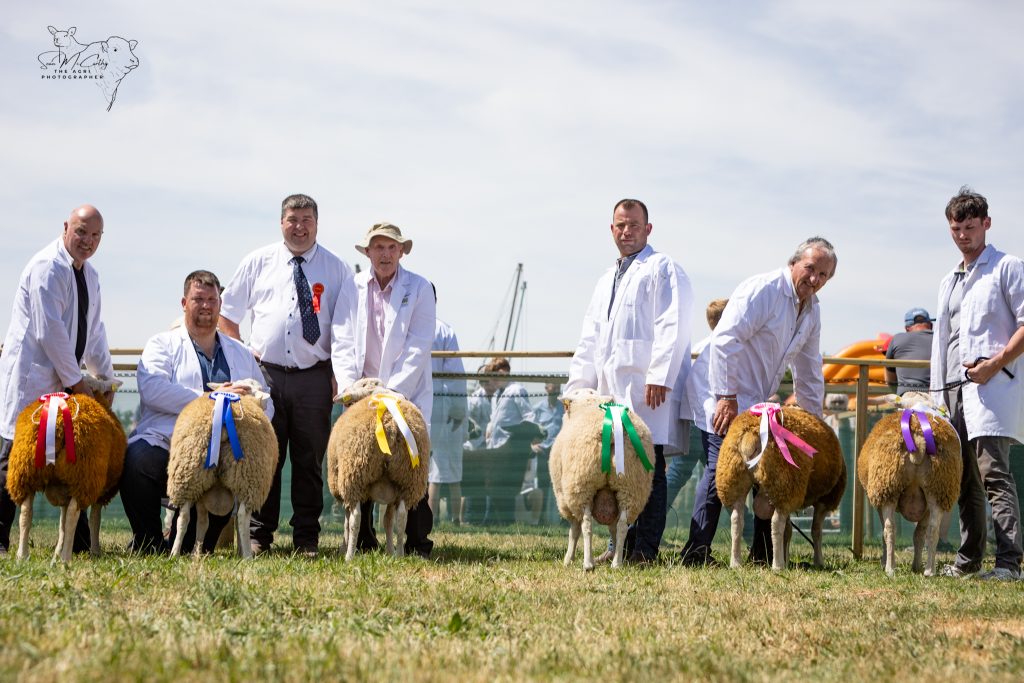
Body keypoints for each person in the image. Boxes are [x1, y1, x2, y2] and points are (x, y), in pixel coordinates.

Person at [680, 238, 836, 566]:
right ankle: (696, 552)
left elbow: (808, 368)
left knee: (767, 468)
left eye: (824, 275)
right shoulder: (763, 289)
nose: (815, 279)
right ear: (794, 263)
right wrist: (725, 397)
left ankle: (763, 554)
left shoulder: (812, 310)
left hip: (755, 400)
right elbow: (725, 339)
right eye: (810, 269)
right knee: (721, 465)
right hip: (720, 388)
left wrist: (812, 421)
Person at [220, 194, 359, 556]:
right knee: (265, 457)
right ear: (281, 223)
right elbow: (227, 314)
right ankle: (259, 536)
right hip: (264, 377)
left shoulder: (336, 268)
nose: (299, 227)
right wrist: (242, 363)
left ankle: (306, 538)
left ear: (317, 223)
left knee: (309, 460)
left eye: (307, 220)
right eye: (292, 219)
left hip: (314, 376)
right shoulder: (258, 261)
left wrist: (340, 378)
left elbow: (345, 329)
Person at [565, 198, 693, 562]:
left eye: (634, 225)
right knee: (615, 471)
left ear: (648, 229)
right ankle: (616, 545)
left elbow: (674, 323)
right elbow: (591, 336)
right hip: (610, 392)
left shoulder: (662, 267)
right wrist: (579, 388)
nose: (627, 231)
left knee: (650, 467)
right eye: (620, 225)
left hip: (646, 388)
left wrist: (660, 374)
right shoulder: (606, 279)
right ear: (612, 229)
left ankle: (645, 549)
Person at [121, 271, 273, 553]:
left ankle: (193, 543)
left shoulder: (240, 352)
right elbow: (152, 388)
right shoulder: (162, 344)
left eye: (212, 300)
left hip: (225, 448)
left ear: (220, 303)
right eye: (198, 299)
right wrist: (207, 399)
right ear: (184, 302)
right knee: (137, 462)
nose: (206, 306)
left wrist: (249, 407)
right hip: (167, 439)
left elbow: (266, 400)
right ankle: (148, 540)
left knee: (197, 547)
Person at [0, 205, 113, 556]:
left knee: (73, 456)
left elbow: (94, 332)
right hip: (33, 375)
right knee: (14, 454)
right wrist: (78, 383)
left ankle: (76, 543)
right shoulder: (46, 267)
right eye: (81, 232)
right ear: (66, 227)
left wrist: (106, 380)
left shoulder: (90, 275)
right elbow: (49, 332)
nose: (87, 241)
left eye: (95, 235)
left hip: (65, 379)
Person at [933, 187, 1024, 581]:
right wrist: (938, 392)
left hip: (991, 385)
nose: (963, 235)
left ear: (986, 224)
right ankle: (968, 560)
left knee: (993, 474)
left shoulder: (1007, 267)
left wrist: (996, 363)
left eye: (970, 227)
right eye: (956, 228)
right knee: (964, 477)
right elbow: (943, 339)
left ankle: (1008, 563)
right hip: (952, 389)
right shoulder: (949, 280)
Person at [336, 222, 436, 557]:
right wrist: (353, 387)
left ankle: (418, 542)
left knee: (412, 461)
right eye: (378, 247)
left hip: (405, 394)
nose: (385, 254)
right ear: (367, 252)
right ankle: (363, 540)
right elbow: (342, 336)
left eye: (392, 247)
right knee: (360, 460)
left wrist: (391, 392)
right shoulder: (352, 287)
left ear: (402, 251)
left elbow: (418, 345)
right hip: (362, 393)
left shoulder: (419, 288)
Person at [667, 299, 728, 512]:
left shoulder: (699, 348)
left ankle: (645, 526)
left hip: (694, 419)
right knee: (720, 478)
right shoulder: (722, 348)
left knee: (718, 477)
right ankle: (751, 534)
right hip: (708, 422)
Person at [429, 291, 468, 525]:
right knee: (444, 470)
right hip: (441, 402)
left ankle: (424, 518)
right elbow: (456, 375)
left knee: (427, 469)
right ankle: (450, 519)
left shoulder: (406, 326)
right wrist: (458, 409)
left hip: (420, 401)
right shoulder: (443, 330)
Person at [531, 381, 564, 523]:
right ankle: (541, 519)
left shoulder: (565, 408)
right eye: (552, 386)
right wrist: (532, 446)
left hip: (559, 452)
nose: (556, 388)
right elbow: (531, 428)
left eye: (558, 386)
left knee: (561, 486)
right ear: (546, 388)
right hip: (543, 452)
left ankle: (563, 519)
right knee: (543, 486)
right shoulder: (538, 408)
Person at [485, 357, 536, 448]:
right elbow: (494, 419)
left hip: (512, 446)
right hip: (494, 446)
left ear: (504, 373)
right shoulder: (496, 395)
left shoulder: (517, 390)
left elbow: (529, 416)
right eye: (492, 377)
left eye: (496, 376)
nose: (493, 380)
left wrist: (530, 441)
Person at [885, 308, 934, 395]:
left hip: (907, 398)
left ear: (907, 328)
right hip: (937, 397)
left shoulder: (897, 338)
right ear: (930, 325)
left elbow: (890, 380)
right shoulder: (941, 340)